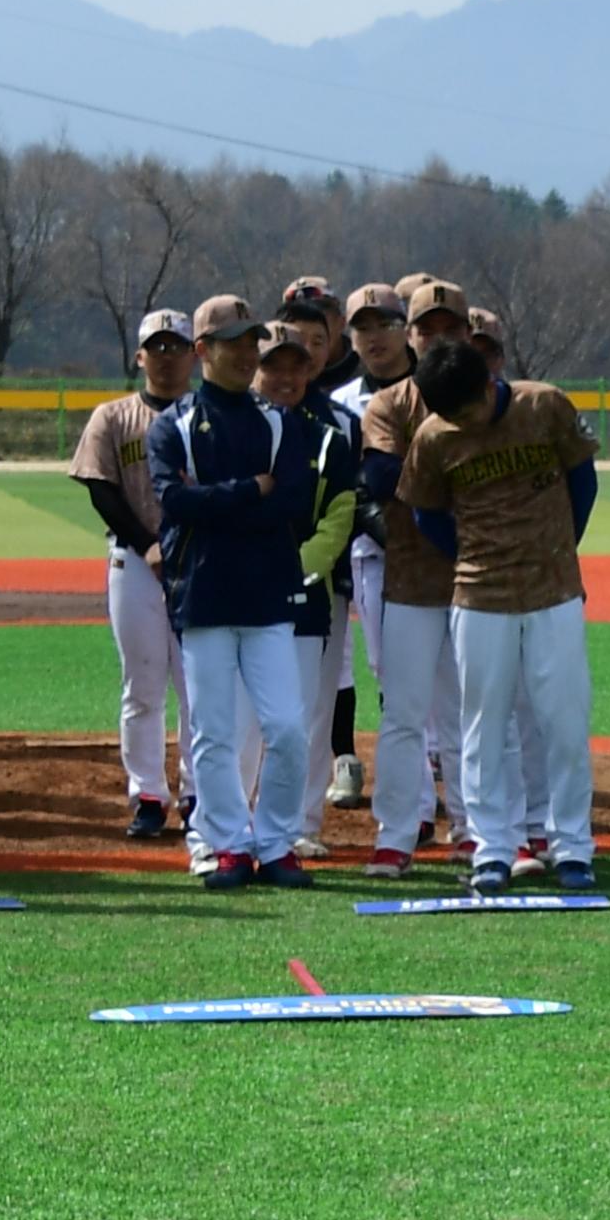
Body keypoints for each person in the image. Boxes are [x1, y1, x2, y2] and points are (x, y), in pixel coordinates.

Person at [398, 335, 603, 894]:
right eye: (451, 415)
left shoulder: (544, 405)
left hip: (553, 590)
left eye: (470, 409)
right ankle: (492, 846)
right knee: (483, 725)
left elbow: (583, 481)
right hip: (479, 594)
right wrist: (472, 555)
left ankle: (571, 845)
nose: (464, 422)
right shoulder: (436, 436)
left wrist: (560, 547)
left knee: (562, 720)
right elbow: (426, 514)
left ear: (489, 383)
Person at [148, 294, 322, 892]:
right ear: (203, 352)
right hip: (203, 597)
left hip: (268, 595)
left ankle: (275, 840)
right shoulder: (173, 425)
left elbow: (295, 504)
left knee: (287, 728)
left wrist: (219, 501)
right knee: (214, 731)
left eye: (253, 343)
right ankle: (226, 843)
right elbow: (174, 501)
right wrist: (252, 491)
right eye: (233, 343)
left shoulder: (277, 422)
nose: (248, 354)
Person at [353, 278, 471, 878]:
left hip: (481, 583)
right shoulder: (391, 404)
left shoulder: (495, 397)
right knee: (404, 713)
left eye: (451, 328)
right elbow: (381, 480)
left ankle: (476, 830)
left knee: (474, 712)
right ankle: (395, 834)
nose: (439, 338)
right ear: (411, 336)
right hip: (411, 580)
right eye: (427, 328)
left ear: (469, 334)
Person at [71, 309, 199, 839]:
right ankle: (148, 795)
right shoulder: (113, 416)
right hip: (134, 562)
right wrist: (147, 542)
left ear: (194, 355)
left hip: (199, 562)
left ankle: (199, 793)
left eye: (177, 347)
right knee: (142, 685)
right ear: (139, 355)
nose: (167, 357)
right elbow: (100, 488)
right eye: (158, 347)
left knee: (199, 687)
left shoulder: (207, 415)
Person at [257, 320, 359, 858]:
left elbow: (341, 514)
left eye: (296, 365)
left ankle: (301, 823)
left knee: (310, 713)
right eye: (274, 364)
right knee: (242, 714)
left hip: (308, 590)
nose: (286, 376)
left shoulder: (328, 435)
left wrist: (296, 570)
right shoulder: (233, 429)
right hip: (241, 589)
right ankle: (232, 822)